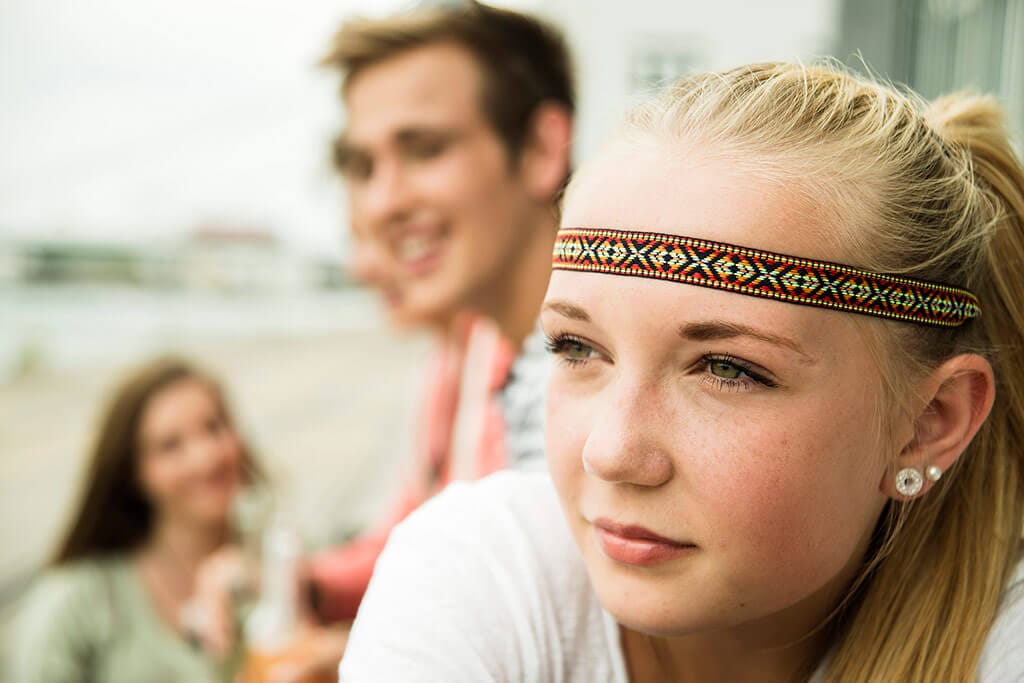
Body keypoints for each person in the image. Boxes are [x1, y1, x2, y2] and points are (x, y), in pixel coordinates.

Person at [338, 62, 1024, 681]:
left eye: (728, 368)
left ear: (930, 422)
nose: (610, 452)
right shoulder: (478, 574)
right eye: (577, 348)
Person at [189, 0, 576, 661]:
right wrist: (306, 588)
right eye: (364, 165)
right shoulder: (483, 348)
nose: (379, 204)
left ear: (542, 149)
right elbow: (422, 541)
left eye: (424, 149)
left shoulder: (608, 396)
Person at [6, 357, 262, 683]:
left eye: (214, 427)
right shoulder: (76, 602)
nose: (206, 456)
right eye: (171, 446)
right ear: (133, 472)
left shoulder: (285, 568)